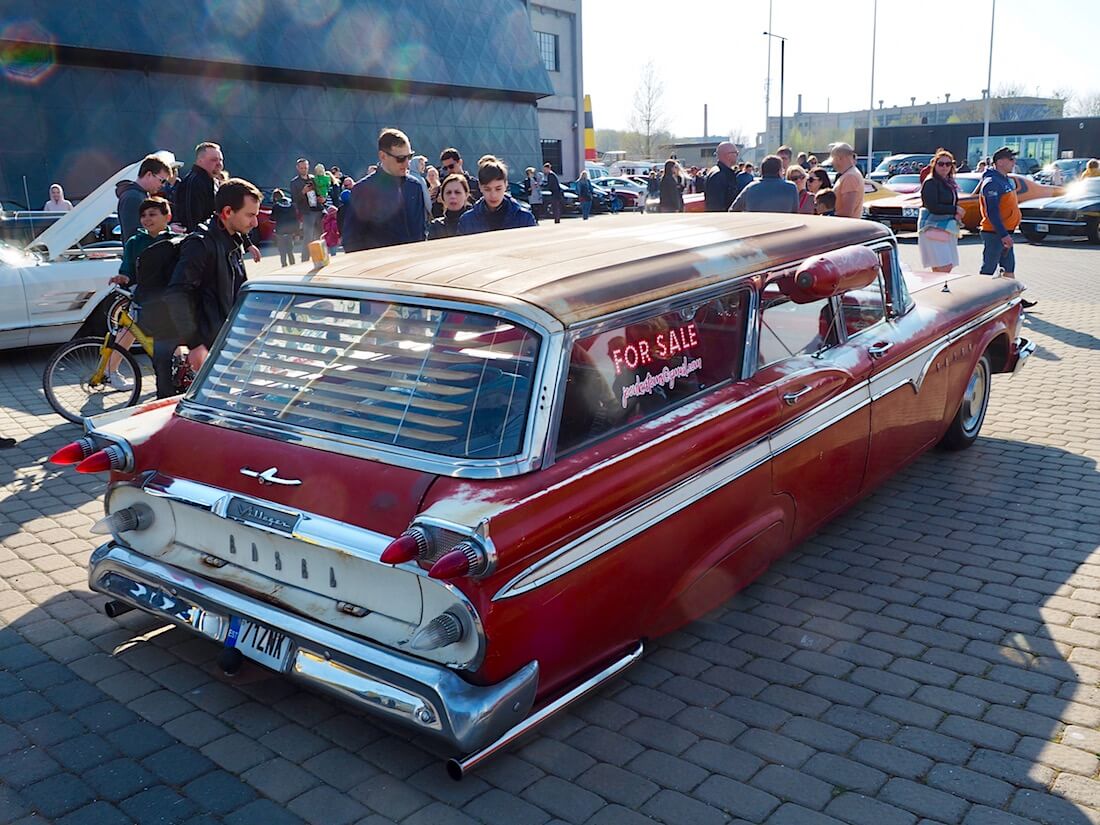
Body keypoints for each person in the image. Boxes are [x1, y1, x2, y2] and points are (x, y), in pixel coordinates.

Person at [162, 178, 260, 397]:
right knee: (214, 402)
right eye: (250, 215)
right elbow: (177, 294)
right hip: (210, 346)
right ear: (227, 212)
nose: (255, 223)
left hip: (229, 339)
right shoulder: (201, 243)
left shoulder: (232, 238)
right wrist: (195, 344)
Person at [342, 128, 427, 252]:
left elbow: (421, 231)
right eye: (401, 158)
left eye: (409, 156)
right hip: (380, 267)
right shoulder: (362, 190)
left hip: (413, 264)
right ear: (383, 156)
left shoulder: (415, 187)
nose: (407, 163)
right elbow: (352, 240)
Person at [978, 146, 1036, 307]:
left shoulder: (1004, 180)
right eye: (1011, 159)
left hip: (1005, 232)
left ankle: (1014, 298)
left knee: (1008, 266)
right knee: (988, 268)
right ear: (1000, 162)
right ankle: (979, 300)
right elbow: (992, 212)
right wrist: (1003, 234)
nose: (1014, 162)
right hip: (995, 233)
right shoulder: (991, 182)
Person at [458, 157, 537, 235]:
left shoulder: (524, 218)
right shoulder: (467, 221)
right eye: (487, 189)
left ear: (506, 185)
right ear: (480, 187)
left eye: (498, 189)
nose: (493, 195)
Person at [918, 148, 964, 273]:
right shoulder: (931, 182)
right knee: (945, 265)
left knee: (940, 267)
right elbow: (932, 206)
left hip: (946, 227)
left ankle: (938, 290)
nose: (944, 167)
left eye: (948, 164)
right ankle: (940, 289)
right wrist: (955, 209)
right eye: (941, 164)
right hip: (932, 226)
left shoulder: (949, 182)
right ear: (934, 164)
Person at [117, 155, 170, 242]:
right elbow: (135, 234)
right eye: (162, 180)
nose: (163, 185)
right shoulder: (133, 197)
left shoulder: (138, 195)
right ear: (149, 174)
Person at [173, 142, 223, 231]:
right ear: (200, 160)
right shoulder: (193, 183)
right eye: (214, 160)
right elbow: (191, 219)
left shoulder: (213, 182)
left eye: (220, 160)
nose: (219, 163)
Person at [729, 154, 798, 213]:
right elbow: (795, 212)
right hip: (784, 227)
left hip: (757, 227)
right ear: (780, 170)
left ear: (762, 171)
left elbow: (733, 210)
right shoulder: (791, 188)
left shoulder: (751, 188)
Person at [290, 158, 322, 260]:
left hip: (318, 209)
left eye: (306, 167)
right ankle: (305, 259)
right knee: (308, 236)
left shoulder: (313, 179)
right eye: (302, 168)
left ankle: (319, 257)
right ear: (297, 168)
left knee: (319, 235)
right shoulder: (294, 182)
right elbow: (294, 199)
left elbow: (320, 192)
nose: (304, 170)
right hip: (307, 212)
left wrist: (322, 198)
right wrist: (303, 192)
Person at [428, 174, 472, 239]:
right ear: (442, 197)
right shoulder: (436, 226)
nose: (453, 196)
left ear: (466, 195)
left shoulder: (475, 222)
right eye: (448, 192)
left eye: (457, 192)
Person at [829, 142, 864, 219]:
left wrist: (827, 216)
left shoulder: (850, 177)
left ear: (839, 158)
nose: (832, 163)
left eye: (833, 159)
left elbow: (846, 212)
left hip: (845, 226)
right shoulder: (850, 174)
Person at [704, 141, 742, 212]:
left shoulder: (723, 173)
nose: (737, 155)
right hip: (723, 219)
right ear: (727, 155)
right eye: (735, 153)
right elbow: (716, 205)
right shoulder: (718, 175)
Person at [270, 188, 297, 267]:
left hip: (280, 231)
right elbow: (295, 218)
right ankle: (293, 265)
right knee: (290, 250)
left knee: (282, 251)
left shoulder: (276, 206)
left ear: (275, 197)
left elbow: (272, 218)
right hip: (290, 231)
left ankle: (284, 265)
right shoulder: (291, 205)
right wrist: (296, 231)